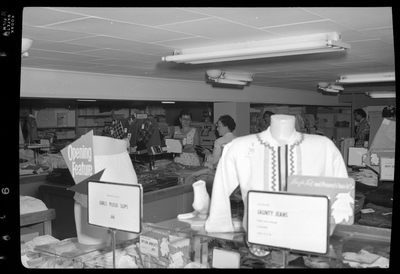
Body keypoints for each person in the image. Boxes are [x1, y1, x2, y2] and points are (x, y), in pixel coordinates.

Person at [205, 114, 348, 233]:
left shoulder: (324, 146)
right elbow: (221, 188)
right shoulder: (239, 147)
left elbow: (342, 194)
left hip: (306, 235)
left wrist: (328, 230)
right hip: (259, 233)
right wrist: (220, 227)